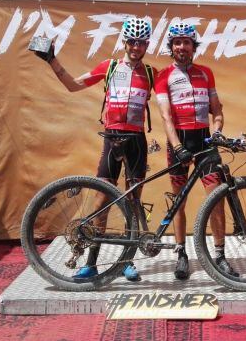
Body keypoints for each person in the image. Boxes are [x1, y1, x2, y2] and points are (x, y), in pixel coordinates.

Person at [34, 18, 157, 282]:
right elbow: (73, 85)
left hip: (137, 142)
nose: (136, 46)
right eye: (132, 41)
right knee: (102, 201)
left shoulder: (150, 73)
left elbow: (172, 100)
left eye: (141, 42)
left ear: (147, 44)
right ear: (124, 41)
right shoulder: (110, 66)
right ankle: (91, 263)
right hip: (112, 140)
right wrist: (51, 60)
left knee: (133, 204)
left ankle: (127, 261)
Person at [154, 22, 238, 280]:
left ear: (193, 46)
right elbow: (166, 117)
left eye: (186, 42)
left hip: (204, 142)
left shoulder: (206, 73)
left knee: (217, 199)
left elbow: (217, 109)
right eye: (177, 42)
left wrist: (216, 132)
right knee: (179, 201)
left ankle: (220, 255)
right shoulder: (163, 76)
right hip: (179, 142)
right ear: (172, 47)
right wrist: (177, 146)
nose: (181, 47)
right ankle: (181, 254)